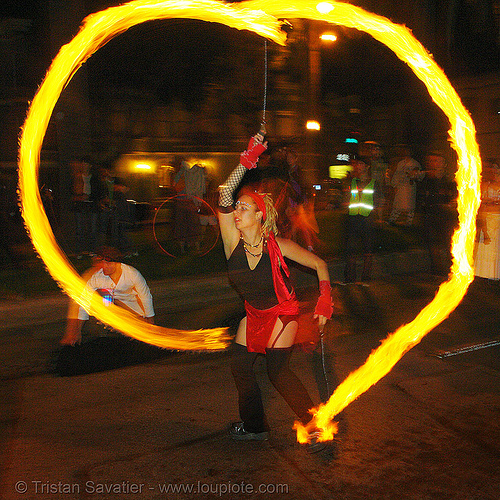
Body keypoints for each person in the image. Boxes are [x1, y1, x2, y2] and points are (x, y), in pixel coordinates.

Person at [218, 134, 333, 451]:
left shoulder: (279, 246)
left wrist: (324, 302)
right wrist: (247, 158)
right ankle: (255, 427)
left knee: (277, 371)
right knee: (240, 368)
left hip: (283, 313)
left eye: (244, 208)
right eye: (237, 208)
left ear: (259, 215)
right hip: (254, 314)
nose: (237, 211)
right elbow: (225, 194)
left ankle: (313, 425)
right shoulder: (233, 244)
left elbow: (320, 265)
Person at [60, 246, 155, 346]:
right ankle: (106, 330)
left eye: (108, 263)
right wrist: (75, 331)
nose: (104, 266)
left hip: (131, 309)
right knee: (102, 294)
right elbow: (83, 302)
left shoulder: (132, 274)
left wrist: (150, 321)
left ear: (117, 263)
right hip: (110, 307)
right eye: (102, 263)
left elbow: (145, 296)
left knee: (135, 335)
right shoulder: (96, 277)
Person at [343, 156, 382, 284]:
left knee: (368, 249)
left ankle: (366, 277)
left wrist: (379, 219)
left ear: (367, 167)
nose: (358, 166)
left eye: (361, 164)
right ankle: (350, 278)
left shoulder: (374, 183)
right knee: (351, 249)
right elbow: (346, 198)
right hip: (353, 218)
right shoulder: (352, 181)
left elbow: (378, 202)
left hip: (368, 219)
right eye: (356, 164)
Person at [418, 152, 458, 276]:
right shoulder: (424, 179)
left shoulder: (451, 180)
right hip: (430, 215)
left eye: (437, 161)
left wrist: (453, 203)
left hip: (446, 217)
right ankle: (437, 270)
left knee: (449, 243)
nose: (433, 164)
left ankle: (451, 269)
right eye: (430, 161)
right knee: (432, 243)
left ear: (444, 164)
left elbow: (457, 196)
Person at [474, 160, 500, 280]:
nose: (495, 171)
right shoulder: (485, 184)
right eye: (493, 168)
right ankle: (485, 274)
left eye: (497, 168)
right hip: (487, 218)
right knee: (486, 249)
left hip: (498, 218)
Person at [388, 145, 424, 226]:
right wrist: (394, 185)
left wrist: (414, 176)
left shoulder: (415, 163)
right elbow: (397, 174)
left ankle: (409, 222)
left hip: (409, 188)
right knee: (398, 205)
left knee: (410, 206)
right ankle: (392, 220)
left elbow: (419, 176)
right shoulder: (401, 163)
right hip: (400, 187)